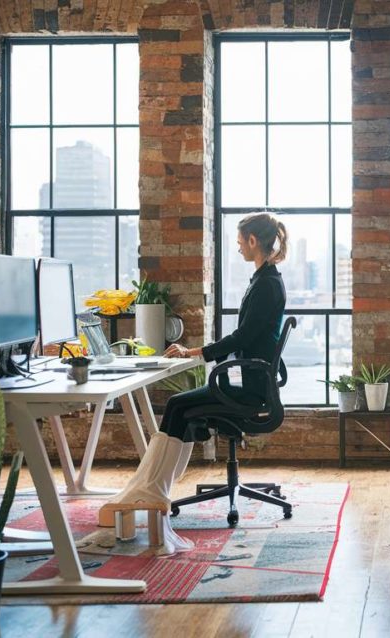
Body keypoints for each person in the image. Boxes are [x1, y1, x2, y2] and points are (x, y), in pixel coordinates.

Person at [98, 213, 288, 554]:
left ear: (253, 242)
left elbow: (242, 336)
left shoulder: (267, 284)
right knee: (180, 407)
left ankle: (152, 491)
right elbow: (245, 337)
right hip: (254, 381)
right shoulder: (264, 279)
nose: (238, 246)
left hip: (252, 389)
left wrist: (196, 352)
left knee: (176, 405)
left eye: (240, 240)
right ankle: (153, 490)